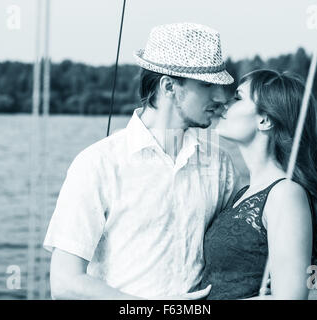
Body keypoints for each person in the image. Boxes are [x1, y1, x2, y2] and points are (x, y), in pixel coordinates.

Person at [43, 23, 238, 299]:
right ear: (169, 87)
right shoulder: (98, 164)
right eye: (206, 85)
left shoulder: (221, 166)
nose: (220, 97)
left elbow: (230, 253)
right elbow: (64, 283)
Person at [198, 69, 317, 299]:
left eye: (238, 97)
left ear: (264, 120)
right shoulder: (244, 192)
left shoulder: (285, 194)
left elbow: (292, 297)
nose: (224, 103)